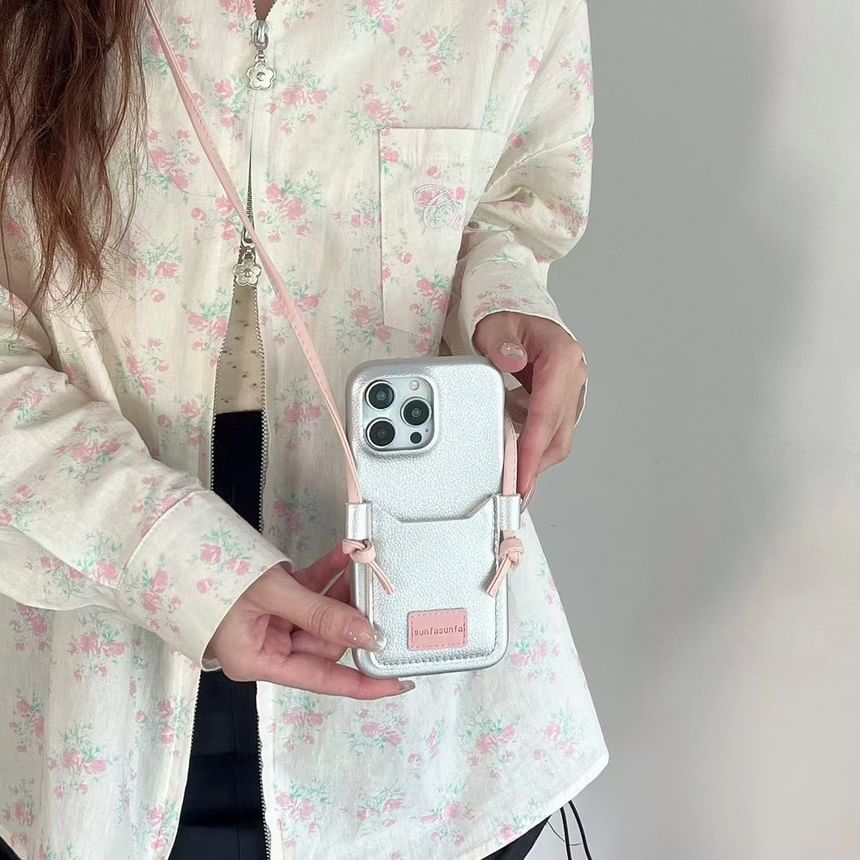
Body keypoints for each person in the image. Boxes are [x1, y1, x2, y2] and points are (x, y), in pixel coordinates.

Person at [0, 1, 609, 858]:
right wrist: (177, 561)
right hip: (88, 677)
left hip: (428, 727)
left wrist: (505, 303)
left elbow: (507, 203)